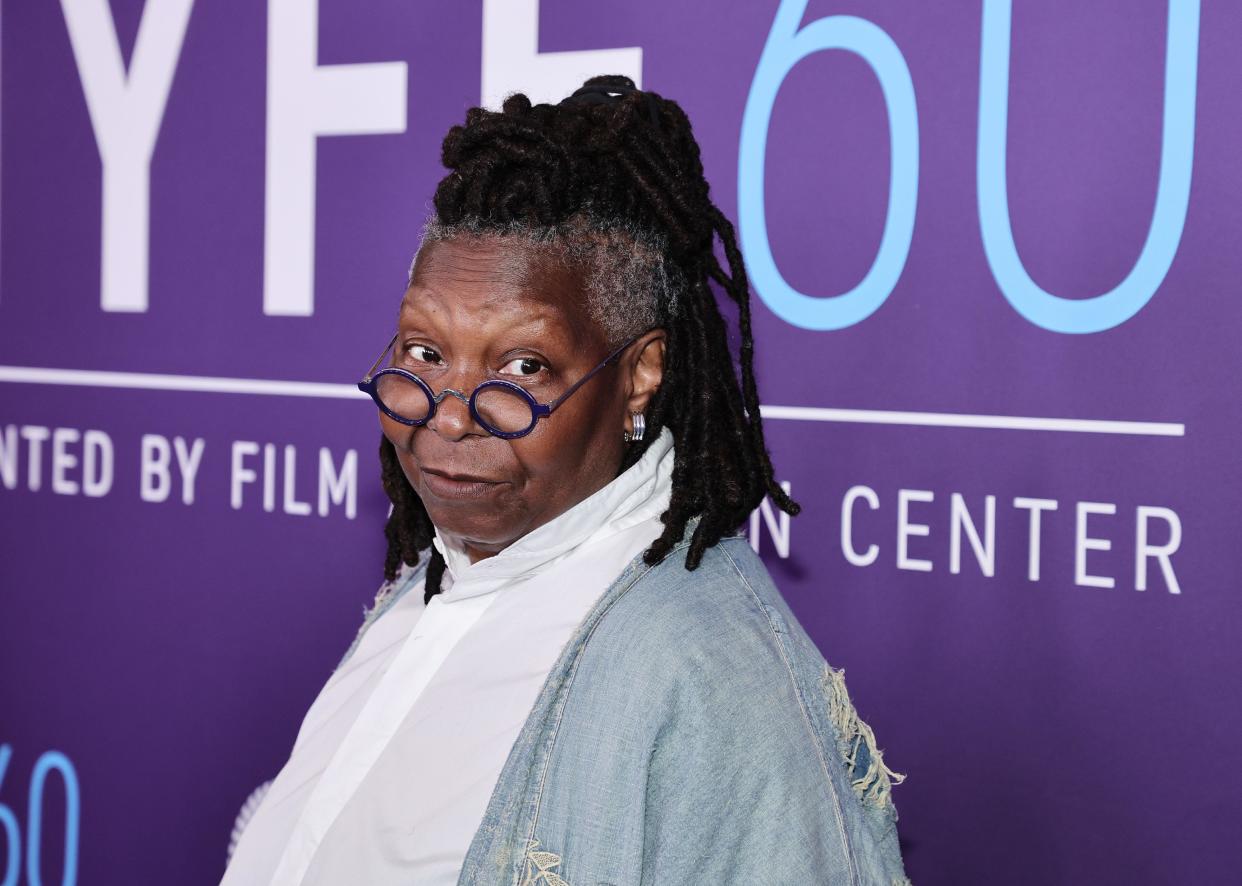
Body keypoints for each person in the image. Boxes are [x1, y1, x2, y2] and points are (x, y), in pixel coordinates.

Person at [221, 75, 909, 886]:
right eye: (424, 354)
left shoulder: (714, 691)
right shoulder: (440, 578)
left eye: (524, 366)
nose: (447, 418)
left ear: (640, 375)